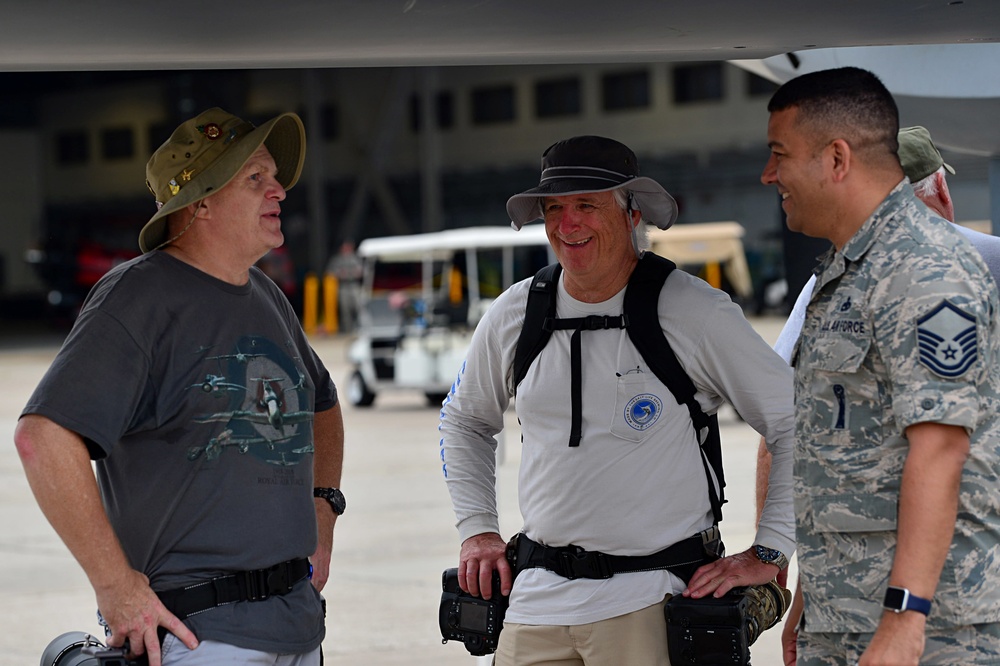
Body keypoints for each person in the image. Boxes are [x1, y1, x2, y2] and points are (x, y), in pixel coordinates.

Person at [438, 135, 797, 664]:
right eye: (555, 208)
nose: (568, 224)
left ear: (631, 214)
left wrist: (769, 550)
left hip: (649, 606)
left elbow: (797, 424)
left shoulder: (695, 312)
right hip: (534, 607)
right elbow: (464, 421)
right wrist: (478, 531)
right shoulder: (515, 314)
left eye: (587, 204)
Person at [14, 108, 346, 666]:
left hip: (297, 629)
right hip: (201, 640)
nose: (280, 191)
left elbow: (323, 405)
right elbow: (42, 439)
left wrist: (323, 507)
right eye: (256, 178)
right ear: (201, 203)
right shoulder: (138, 298)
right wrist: (115, 586)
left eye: (275, 177)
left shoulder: (266, 297)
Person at [759, 67, 1000, 665]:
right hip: (845, 617)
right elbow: (835, 455)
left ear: (836, 159)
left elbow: (940, 449)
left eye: (779, 155)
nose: (769, 176)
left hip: (935, 627)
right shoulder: (841, 277)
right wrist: (811, 596)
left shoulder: (925, 271)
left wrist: (904, 619)